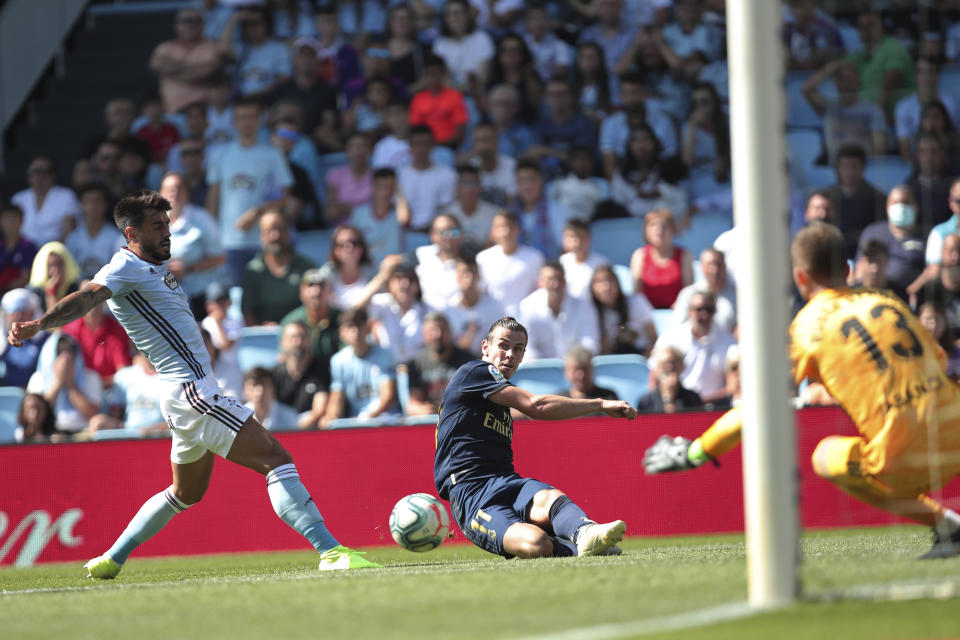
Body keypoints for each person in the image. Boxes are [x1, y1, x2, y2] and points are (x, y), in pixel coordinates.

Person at [8, 189, 379, 577]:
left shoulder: (152, 266)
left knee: (185, 493)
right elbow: (87, 297)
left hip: (183, 395)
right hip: (193, 393)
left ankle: (111, 558)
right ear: (131, 234)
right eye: (157, 227)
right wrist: (39, 324)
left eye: (167, 224)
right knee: (276, 459)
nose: (167, 233)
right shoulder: (123, 268)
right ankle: (331, 552)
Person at [643, 222, 960, 559]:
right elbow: (939, 363)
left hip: (904, 461)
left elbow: (760, 408)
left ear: (800, 278)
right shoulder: (889, 303)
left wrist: (696, 452)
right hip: (953, 432)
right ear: (848, 270)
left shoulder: (808, 327)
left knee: (825, 457)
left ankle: (945, 525)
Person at [434, 316, 636, 559]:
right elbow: (536, 406)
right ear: (485, 347)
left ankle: (586, 533)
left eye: (518, 349)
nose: (510, 354)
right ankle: (576, 549)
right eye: (503, 345)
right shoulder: (474, 372)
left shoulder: (497, 399)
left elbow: (538, 409)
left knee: (549, 498)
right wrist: (601, 403)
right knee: (535, 543)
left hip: (506, 481)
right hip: (471, 492)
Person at [205, 97, 293, 286]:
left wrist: (256, 212)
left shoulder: (272, 155)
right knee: (234, 298)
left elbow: (284, 196)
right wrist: (211, 236)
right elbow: (213, 198)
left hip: (264, 240)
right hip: (228, 241)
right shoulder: (220, 155)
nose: (247, 122)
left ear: (259, 120)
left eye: (252, 116)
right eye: (242, 117)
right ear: (233, 122)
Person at [159, 172, 226, 319]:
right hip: (166, 295)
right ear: (160, 194)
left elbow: (220, 258)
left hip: (200, 296)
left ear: (186, 193)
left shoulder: (202, 219)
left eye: (178, 188)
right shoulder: (153, 223)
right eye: (169, 189)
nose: (173, 192)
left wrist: (189, 268)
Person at [651, 290, 736, 404]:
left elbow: (733, 384)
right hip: (679, 406)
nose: (704, 314)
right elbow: (654, 376)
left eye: (709, 309)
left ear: (715, 311)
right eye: (699, 309)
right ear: (690, 311)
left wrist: (700, 402)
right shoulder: (670, 338)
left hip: (716, 407)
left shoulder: (728, 342)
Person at [321, 307, 400, 425]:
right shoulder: (338, 361)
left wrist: (367, 419)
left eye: (359, 326)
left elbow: (388, 397)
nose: (356, 332)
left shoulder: (385, 355)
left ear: (367, 328)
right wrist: (331, 417)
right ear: (342, 333)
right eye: (350, 327)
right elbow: (337, 398)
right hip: (356, 421)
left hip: (386, 419)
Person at [801, 59, 887, 164]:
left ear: (859, 81)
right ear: (836, 84)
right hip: (834, 169)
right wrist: (830, 68)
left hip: (864, 169)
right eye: (842, 79)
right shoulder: (828, 107)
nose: (847, 83)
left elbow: (879, 149)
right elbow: (806, 89)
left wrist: (853, 164)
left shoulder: (873, 110)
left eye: (851, 78)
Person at [241, 210, 316, 326]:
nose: (275, 236)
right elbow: (247, 311)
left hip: (299, 336)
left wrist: (288, 329)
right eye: (269, 231)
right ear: (261, 236)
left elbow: (314, 307)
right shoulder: (253, 270)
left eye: (280, 229)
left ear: (289, 232)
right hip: (263, 337)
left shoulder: (306, 267)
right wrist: (261, 331)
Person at [855, 185, 925, 303]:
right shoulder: (873, 232)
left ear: (915, 207)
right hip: (872, 294)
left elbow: (932, 270)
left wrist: (913, 290)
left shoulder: (925, 236)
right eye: (896, 202)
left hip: (909, 297)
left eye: (906, 203)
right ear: (887, 207)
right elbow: (860, 266)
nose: (901, 207)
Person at [517, 261, 600, 360]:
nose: (555, 284)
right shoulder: (528, 306)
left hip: (576, 369)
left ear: (565, 282)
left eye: (559, 279)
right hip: (540, 370)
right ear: (540, 283)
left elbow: (589, 342)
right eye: (550, 279)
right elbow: (527, 346)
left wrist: (574, 363)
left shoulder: (583, 306)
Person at [149, 8, 225, 114]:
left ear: (203, 25)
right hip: (172, 111)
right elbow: (156, 66)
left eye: (197, 21)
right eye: (186, 20)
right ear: (176, 25)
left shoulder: (213, 47)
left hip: (204, 113)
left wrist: (173, 70)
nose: (191, 24)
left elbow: (206, 73)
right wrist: (194, 69)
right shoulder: (165, 48)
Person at [26, 333, 103, 435]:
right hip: (48, 433)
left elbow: (91, 413)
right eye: (60, 352)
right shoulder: (37, 379)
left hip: (83, 433)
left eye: (70, 351)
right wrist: (58, 383)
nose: (66, 359)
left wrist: (71, 384)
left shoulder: (91, 377)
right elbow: (37, 414)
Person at [62, 280, 133, 386]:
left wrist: (95, 385)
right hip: (76, 390)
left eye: (95, 294)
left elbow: (122, 375)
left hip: (109, 393)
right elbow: (62, 371)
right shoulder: (69, 331)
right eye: (85, 295)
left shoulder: (117, 331)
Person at [405, 311, 473, 415]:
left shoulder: (467, 361)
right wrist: (422, 410)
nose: (438, 334)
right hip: (429, 423)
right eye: (432, 331)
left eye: (442, 329)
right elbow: (412, 404)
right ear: (424, 335)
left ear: (450, 332)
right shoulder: (416, 364)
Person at [476, 210, 544, 315]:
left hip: (524, 322)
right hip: (492, 322)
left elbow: (540, 292)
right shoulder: (482, 258)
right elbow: (480, 293)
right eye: (500, 227)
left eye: (510, 227)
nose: (506, 232)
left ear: (519, 230)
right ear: (492, 231)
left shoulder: (535, 258)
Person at [629, 209, 694, 309]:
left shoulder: (685, 255)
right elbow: (636, 294)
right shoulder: (639, 255)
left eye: (664, 226)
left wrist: (680, 307)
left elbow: (689, 292)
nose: (659, 231)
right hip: (647, 317)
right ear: (646, 231)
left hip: (677, 314)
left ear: (672, 230)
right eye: (653, 225)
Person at [397, 126, 458, 232]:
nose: (421, 149)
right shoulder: (399, 175)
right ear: (410, 147)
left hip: (436, 233)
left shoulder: (448, 175)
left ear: (432, 146)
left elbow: (446, 210)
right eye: (417, 144)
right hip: (403, 234)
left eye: (425, 144)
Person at [11, 154, 80, 247]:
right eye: (36, 171)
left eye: (45, 172)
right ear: (29, 174)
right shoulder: (18, 198)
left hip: (56, 252)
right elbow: (11, 231)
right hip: (24, 252)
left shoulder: (66, 196)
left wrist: (48, 250)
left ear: (52, 175)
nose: (40, 176)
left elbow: (69, 231)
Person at [273, 319, 330, 428]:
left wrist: (293, 430)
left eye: (302, 337)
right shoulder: (275, 374)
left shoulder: (322, 371)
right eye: (293, 338)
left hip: (309, 433)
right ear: (283, 342)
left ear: (310, 341)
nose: (298, 342)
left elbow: (319, 410)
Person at [590, 265, 656, 356]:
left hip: (641, 358)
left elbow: (654, 339)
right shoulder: (592, 313)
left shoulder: (637, 302)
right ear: (592, 288)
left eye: (609, 280)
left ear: (617, 283)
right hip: (613, 361)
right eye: (599, 282)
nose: (606, 287)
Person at [445, 254, 504, 354]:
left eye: (472, 272)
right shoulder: (449, 309)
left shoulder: (494, 306)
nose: (469, 277)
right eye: (464, 273)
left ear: (479, 276)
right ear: (457, 277)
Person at [66, 184, 126, 280]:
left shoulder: (117, 237)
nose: (92, 206)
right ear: (81, 205)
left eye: (97, 201)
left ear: (106, 204)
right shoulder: (73, 238)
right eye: (88, 201)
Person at [671, 248, 737, 334]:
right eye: (710, 265)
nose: (715, 270)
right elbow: (678, 328)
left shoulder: (738, 295)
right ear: (702, 267)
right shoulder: (688, 294)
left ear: (725, 266)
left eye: (718, 264)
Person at [0, 288, 47, 387]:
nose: (19, 317)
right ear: (6, 315)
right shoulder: (3, 341)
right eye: (13, 312)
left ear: (33, 313)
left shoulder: (46, 340)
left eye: (23, 312)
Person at [636, 345, 703, 414]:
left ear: (682, 365)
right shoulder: (646, 401)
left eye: (673, 362)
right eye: (664, 364)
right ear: (656, 369)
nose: (669, 367)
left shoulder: (692, 398)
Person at [558, 218, 609, 300]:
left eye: (580, 237)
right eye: (571, 236)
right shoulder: (561, 262)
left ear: (589, 238)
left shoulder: (601, 263)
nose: (576, 241)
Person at [29, 241, 81, 313]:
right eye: (50, 265)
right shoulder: (34, 293)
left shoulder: (75, 289)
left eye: (59, 264)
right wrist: (51, 292)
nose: (55, 270)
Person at [243, 366, 299, 430]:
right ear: (245, 390)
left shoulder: (289, 416)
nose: (260, 391)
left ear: (273, 389)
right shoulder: (239, 417)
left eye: (264, 385)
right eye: (254, 385)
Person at [0, 204, 38, 295]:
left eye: (14, 218)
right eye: (7, 218)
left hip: (20, 294)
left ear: (22, 221)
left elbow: (24, 279)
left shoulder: (29, 247)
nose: (11, 222)